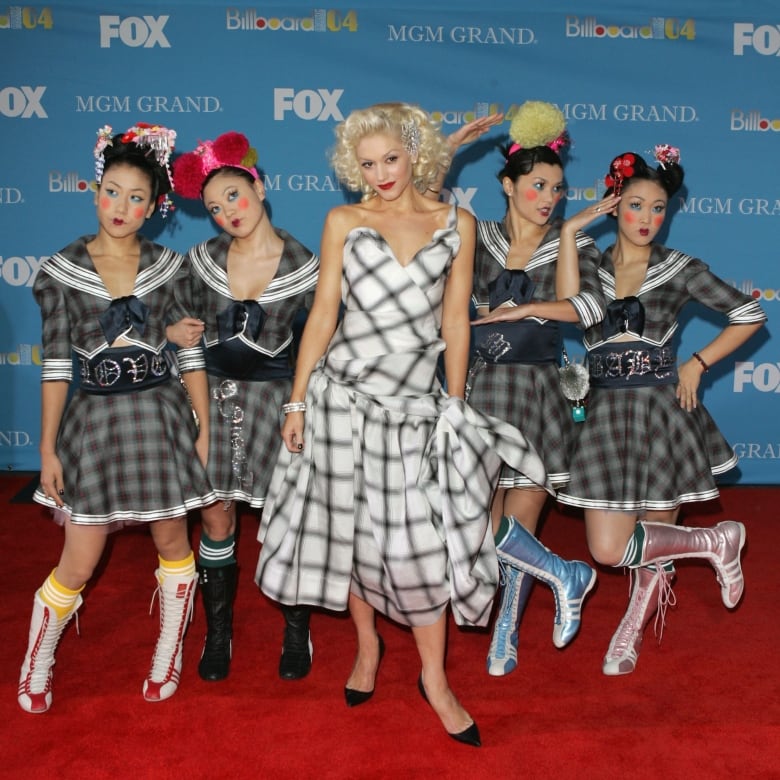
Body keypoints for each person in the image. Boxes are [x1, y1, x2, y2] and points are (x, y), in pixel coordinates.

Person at [256, 102, 549, 747]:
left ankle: (436, 680)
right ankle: (366, 648)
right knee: (352, 537)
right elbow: (324, 312)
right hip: (340, 402)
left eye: (391, 158)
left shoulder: (457, 223)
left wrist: (453, 401)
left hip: (414, 409)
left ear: (415, 155)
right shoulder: (344, 220)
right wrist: (298, 399)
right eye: (366, 163)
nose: (381, 173)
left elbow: (452, 322)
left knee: (422, 549)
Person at [18, 122, 218, 713]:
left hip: (160, 423)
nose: (121, 207)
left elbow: (190, 353)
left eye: (136, 197)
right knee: (78, 560)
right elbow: (56, 366)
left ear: (156, 206)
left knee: (173, 540)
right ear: (95, 190)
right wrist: (48, 449)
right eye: (112, 191)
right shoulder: (61, 270)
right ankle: (38, 659)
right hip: (96, 428)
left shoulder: (170, 267)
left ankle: (168, 652)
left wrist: (202, 428)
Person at [556, 146, 767, 675]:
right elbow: (565, 303)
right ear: (614, 204)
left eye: (657, 207)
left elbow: (748, 315)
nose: (647, 218)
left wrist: (697, 363)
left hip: (660, 413)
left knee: (655, 538)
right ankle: (715, 540)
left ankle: (629, 634)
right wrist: (567, 233)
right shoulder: (589, 262)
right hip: (602, 415)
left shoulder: (681, 269)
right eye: (634, 205)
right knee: (608, 550)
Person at [460, 101, 619, 677]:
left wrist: (527, 304)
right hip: (477, 390)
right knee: (472, 520)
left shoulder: (573, 243)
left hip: (537, 395)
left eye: (556, 187)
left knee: (520, 522)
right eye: (536, 185)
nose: (549, 197)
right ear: (507, 185)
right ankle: (564, 572)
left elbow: (587, 309)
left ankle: (506, 630)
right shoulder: (473, 236)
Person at [169, 132, 319, 681]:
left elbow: (321, 344)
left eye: (233, 196)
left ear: (259, 186)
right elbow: (179, 332)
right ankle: (219, 634)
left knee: (286, 522)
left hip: (280, 407)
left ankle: (297, 631)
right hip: (212, 402)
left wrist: (299, 407)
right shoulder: (199, 261)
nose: (226, 212)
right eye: (213, 208)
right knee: (215, 516)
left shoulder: (308, 264)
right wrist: (198, 413)